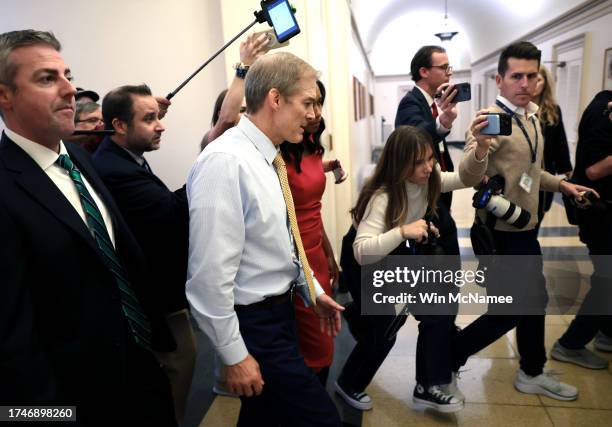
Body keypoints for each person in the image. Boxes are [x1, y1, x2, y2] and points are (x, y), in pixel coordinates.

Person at [0, 30, 176, 426]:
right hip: (76, 400)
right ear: (4, 95)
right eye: (47, 79)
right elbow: (11, 339)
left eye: (67, 75)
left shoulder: (80, 157)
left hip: (139, 373)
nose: (70, 90)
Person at [186, 52, 344, 426]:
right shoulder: (225, 161)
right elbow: (209, 278)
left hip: (280, 311)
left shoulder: (267, 156)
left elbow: (280, 243)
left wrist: (311, 290)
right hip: (254, 324)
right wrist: (233, 355)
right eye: (307, 102)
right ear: (276, 99)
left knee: (265, 416)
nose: (313, 114)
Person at [452, 41, 596, 402]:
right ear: (500, 79)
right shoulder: (489, 122)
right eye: (516, 76)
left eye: (532, 75)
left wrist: (563, 184)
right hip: (499, 235)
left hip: (524, 229)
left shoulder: (531, 116)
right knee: (509, 311)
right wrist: (481, 146)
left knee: (535, 302)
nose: (525, 83)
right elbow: (467, 174)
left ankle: (531, 370)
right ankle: (448, 356)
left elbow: (532, 171)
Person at [334, 121, 491, 413]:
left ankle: (427, 385)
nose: (428, 167)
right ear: (399, 163)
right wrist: (404, 231)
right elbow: (362, 253)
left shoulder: (429, 179)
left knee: (438, 311)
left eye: (431, 158)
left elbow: (466, 177)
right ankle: (348, 383)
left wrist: (480, 149)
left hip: (395, 252)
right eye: (419, 162)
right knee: (384, 331)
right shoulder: (382, 197)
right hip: (365, 261)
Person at [92, 84, 196, 422]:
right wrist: (210, 170)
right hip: (149, 294)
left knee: (181, 363)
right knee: (177, 366)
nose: (161, 124)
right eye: (149, 118)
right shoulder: (113, 168)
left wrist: (150, 112)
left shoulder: (123, 155)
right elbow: (171, 213)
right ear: (119, 125)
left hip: (158, 288)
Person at [280, 80, 340, 387]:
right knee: (313, 346)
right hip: (292, 259)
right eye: (307, 104)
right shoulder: (276, 153)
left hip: (316, 251)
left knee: (323, 343)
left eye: (319, 103)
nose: (315, 112)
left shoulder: (312, 142)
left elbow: (312, 208)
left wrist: (329, 254)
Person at [551, 90, 612, 369]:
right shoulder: (602, 111)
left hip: (601, 212)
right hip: (600, 213)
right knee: (608, 280)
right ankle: (571, 344)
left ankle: (607, 334)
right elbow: (593, 171)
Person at [395, 45, 461, 257]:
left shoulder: (430, 103)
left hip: (435, 188)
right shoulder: (410, 103)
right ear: (424, 71)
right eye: (443, 67)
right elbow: (415, 139)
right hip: (424, 194)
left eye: (449, 67)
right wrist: (443, 121)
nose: (449, 72)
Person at [200, 32, 268, 151]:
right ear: (220, 113)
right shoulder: (211, 140)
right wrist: (245, 65)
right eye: (241, 110)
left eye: (249, 110)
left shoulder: (256, 142)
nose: (247, 115)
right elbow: (227, 119)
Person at [532, 64, 572, 226]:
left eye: (538, 79)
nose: (532, 84)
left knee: (537, 218)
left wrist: (569, 174)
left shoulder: (553, 111)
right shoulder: (515, 110)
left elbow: (560, 144)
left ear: (545, 83)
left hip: (545, 174)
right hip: (518, 176)